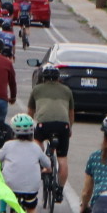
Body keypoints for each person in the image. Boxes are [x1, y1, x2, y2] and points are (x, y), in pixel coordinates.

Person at [0, 113, 51, 213]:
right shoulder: (36, 147)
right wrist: (46, 169)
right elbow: (48, 164)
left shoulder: (8, 145)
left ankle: (2, 212)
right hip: (30, 188)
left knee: (3, 185)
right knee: (31, 209)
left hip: (11, 187)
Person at [27, 65, 74, 202]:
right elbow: (71, 113)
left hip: (44, 125)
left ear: (43, 77)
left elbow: (30, 112)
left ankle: (43, 163)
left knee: (37, 142)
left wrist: (30, 128)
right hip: (63, 126)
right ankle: (60, 191)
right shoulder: (67, 90)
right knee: (62, 158)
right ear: (58, 77)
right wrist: (69, 128)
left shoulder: (37, 89)